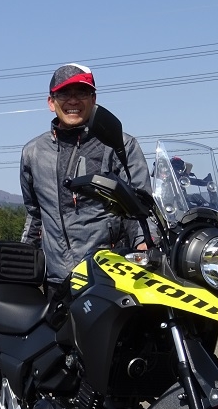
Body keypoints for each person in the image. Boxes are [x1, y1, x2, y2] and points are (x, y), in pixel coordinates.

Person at [20, 63, 152, 292]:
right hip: (57, 280)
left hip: (110, 275)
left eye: (81, 92)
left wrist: (144, 246)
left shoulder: (120, 144)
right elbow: (34, 215)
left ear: (94, 99)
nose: (73, 100)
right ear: (51, 102)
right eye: (64, 93)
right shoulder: (33, 152)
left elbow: (140, 208)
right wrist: (23, 263)